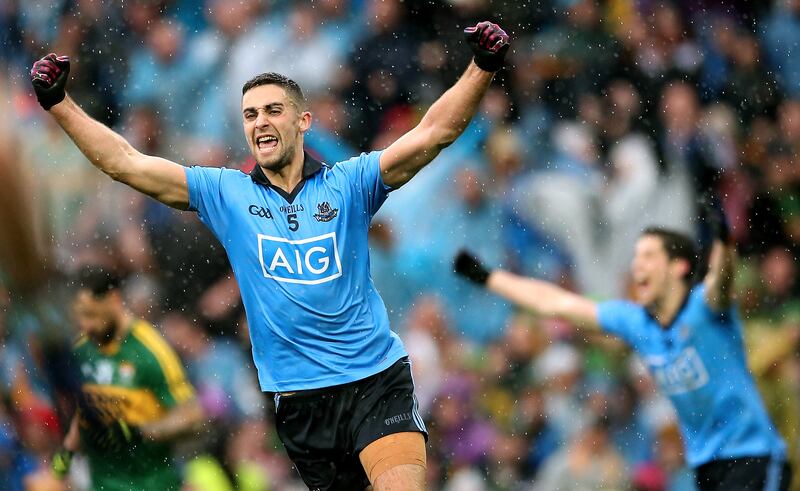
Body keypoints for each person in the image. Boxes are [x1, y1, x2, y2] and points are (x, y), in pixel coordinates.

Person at [30, 20, 510, 490]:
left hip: (375, 380)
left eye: (273, 110)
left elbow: (432, 134)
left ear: (303, 122)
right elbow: (124, 162)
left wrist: (482, 66)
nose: (259, 121)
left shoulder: (351, 182)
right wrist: (59, 104)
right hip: (301, 404)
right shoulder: (225, 193)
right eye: (250, 114)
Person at [453, 203, 793, 490]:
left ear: (679, 267)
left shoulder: (704, 310)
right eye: (635, 257)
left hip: (754, 456)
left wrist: (724, 241)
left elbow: (722, 280)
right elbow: (556, 303)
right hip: (707, 467)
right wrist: (489, 278)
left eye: (648, 255)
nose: (637, 265)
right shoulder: (636, 323)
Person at [50, 266, 204, 490]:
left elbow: (193, 417)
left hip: (151, 484)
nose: (85, 325)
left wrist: (139, 432)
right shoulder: (81, 349)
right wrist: (59, 467)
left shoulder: (150, 350)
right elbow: (79, 419)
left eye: (91, 314)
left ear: (114, 299)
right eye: (79, 317)